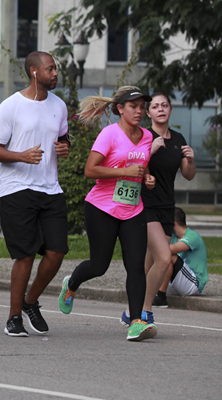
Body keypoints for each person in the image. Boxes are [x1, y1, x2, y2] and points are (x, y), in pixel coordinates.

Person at [59, 86, 158, 341]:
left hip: (133, 209)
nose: (139, 111)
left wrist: (146, 178)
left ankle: (135, 321)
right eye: (133, 106)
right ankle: (71, 284)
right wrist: (125, 173)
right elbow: (90, 170)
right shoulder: (109, 134)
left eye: (141, 106)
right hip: (101, 208)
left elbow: (141, 166)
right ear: (120, 109)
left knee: (136, 266)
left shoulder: (147, 136)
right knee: (99, 265)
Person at [0, 52, 70, 337]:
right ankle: (13, 317)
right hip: (16, 188)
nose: (55, 73)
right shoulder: (12, 106)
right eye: (50, 68)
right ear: (34, 72)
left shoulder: (59, 105)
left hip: (50, 187)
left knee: (57, 252)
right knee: (24, 256)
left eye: (55, 68)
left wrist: (64, 148)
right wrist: (21, 156)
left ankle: (30, 301)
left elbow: (62, 138)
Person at [141, 93, 196, 310]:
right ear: (149, 113)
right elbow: (131, 161)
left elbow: (188, 174)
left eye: (165, 105)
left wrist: (190, 160)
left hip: (167, 205)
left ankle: (136, 297)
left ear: (170, 110)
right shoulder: (144, 136)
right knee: (163, 258)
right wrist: (149, 151)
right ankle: (143, 306)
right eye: (155, 106)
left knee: (151, 257)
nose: (161, 109)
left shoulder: (179, 139)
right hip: (145, 203)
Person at [161, 207, 207, 298]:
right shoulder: (173, 237)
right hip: (177, 281)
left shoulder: (193, 236)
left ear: (174, 223)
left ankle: (160, 296)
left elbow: (168, 249)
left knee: (169, 256)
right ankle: (159, 294)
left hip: (193, 284)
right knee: (161, 258)